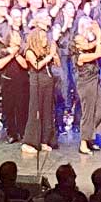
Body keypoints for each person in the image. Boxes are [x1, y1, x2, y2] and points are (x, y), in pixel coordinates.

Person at [21, 25, 57, 155]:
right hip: (37, 83)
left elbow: (57, 63)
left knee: (47, 111)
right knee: (35, 111)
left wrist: (54, 53)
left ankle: (44, 139)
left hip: (48, 83)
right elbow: (36, 66)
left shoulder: (46, 51)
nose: (45, 39)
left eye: (45, 36)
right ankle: (29, 142)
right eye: (42, 37)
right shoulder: (30, 51)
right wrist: (49, 56)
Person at [74, 17, 101, 155]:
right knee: (88, 113)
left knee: (100, 109)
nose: (85, 41)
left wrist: (96, 33)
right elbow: (98, 52)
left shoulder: (86, 49)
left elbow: (95, 44)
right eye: (82, 41)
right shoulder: (80, 56)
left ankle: (91, 137)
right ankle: (84, 142)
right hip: (86, 84)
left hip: (95, 81)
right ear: (77, 46)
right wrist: (97, 35)